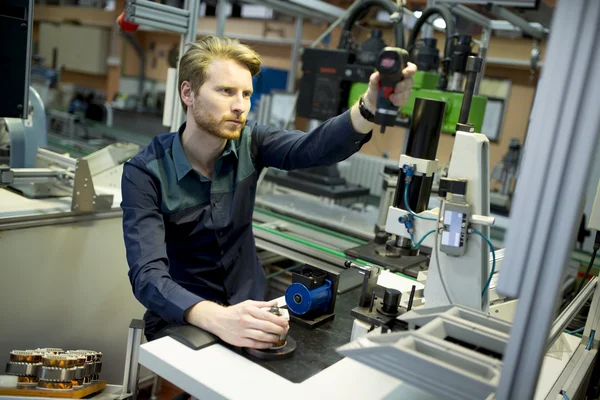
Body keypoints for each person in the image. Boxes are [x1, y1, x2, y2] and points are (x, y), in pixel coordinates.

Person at [121, 36, 416, 348]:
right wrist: (218, 318)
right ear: (188, 93)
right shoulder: (146, 173)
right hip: (185, 317)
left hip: (251, 307)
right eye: (226, 91)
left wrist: (369, 106)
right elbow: (148, 276)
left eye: (246, 94)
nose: (240, 106)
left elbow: (311, 147)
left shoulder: (252, 143)